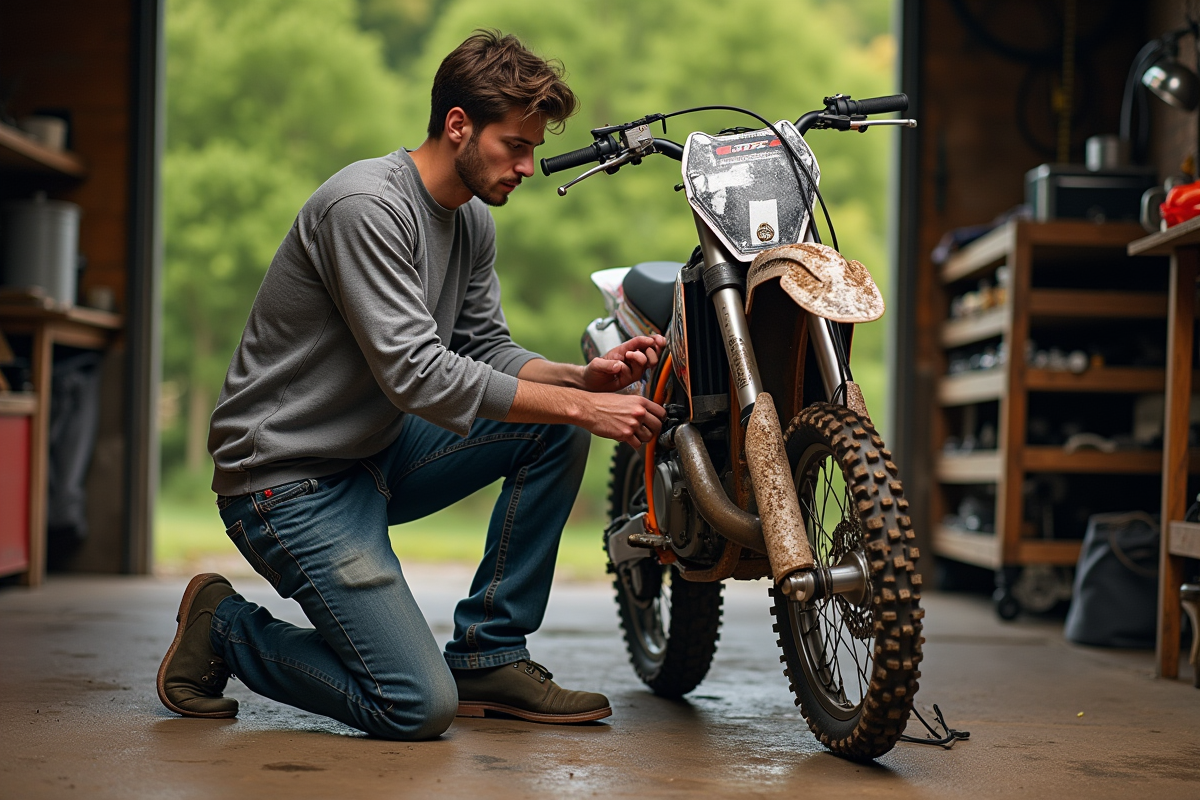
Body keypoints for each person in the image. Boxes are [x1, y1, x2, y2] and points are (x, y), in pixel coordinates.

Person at [156, 30, 667, 740]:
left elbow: (483, 348)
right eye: (513, 145)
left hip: (375, 455)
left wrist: (579, 378)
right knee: (415, 706)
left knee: (552, 425)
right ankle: (227, 630)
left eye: (532, 145)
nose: (528, 164)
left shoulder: (471, 222)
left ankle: (490, 653)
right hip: (285, 483)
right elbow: (417, 373)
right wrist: (584, 404)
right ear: (458, 124)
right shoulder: (365, 207)